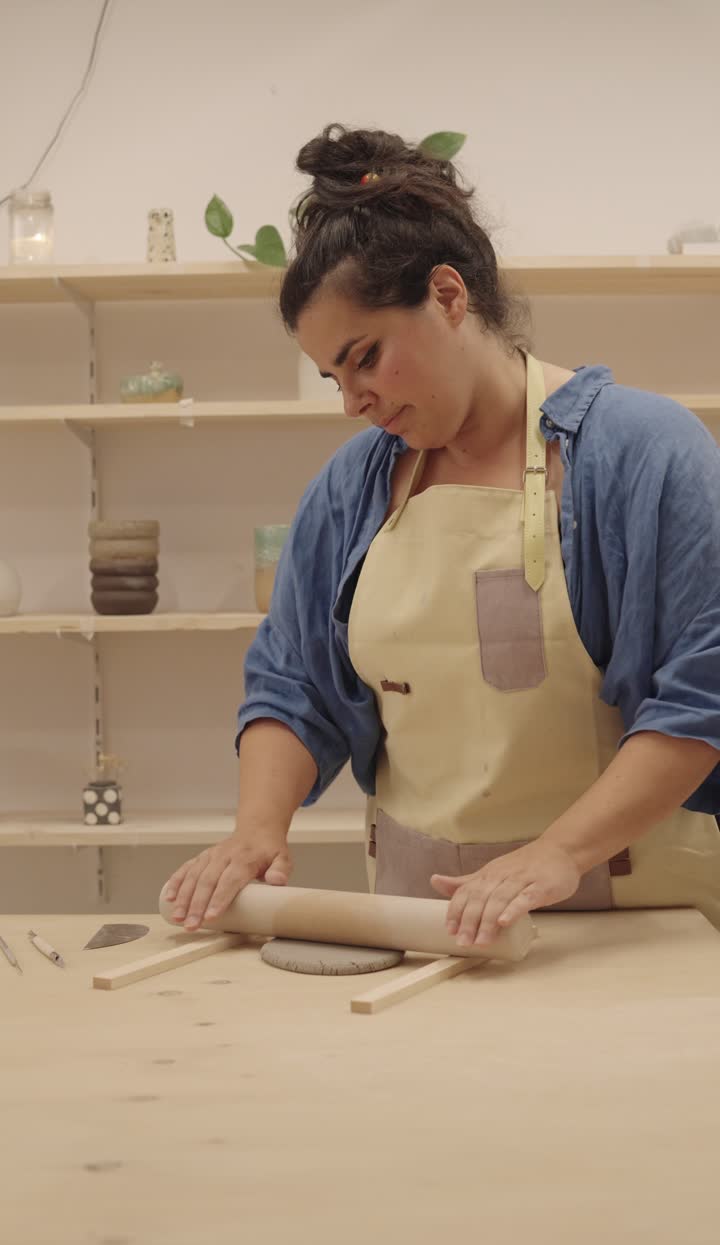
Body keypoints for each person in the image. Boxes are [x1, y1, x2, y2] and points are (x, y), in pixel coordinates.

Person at [166, 124, 720, 946]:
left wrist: (557, 853)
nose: (352, 399)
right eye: (333, 377)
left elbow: (702, 693)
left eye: (366, 357)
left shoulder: (641, 454)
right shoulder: (352, 489)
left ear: (449, 296)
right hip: (419, 923)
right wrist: (257, 828)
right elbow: (292, 684)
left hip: (629, 918)